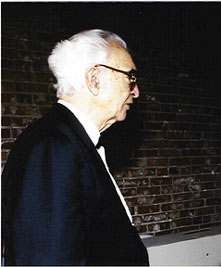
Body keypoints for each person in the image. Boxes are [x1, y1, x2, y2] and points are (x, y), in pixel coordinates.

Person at [1, 29, 149, 265]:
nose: (136, 91)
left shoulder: (70, 142)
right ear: (94, 79)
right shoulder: (52, 147)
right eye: (130, 77)